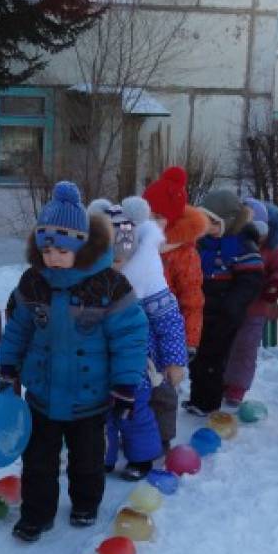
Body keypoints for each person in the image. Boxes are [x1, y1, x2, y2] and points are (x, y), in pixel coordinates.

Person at [0, 181, 147, 541]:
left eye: (62, 250)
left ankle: (85, 504)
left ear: (80, 245)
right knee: (38, 461)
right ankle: (37, 513)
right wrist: (7, 367)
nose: (53, 257)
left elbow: (129, 338)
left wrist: (126, 385)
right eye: (46, 249)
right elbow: (18, 328)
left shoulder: (109, 285)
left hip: (90, 397)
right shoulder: (33, 283)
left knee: (87, 459)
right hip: (42, 396)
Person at [102, 196, 188, 479]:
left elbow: (168, 320)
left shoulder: (145, 277)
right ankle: (103, 456)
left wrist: (175, 360)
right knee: (100, 416)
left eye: (120, 254)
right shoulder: (89, 280)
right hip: (96, 366)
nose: (117, 260)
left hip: (137, 365)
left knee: (135, 414)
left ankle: (142, 458)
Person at [141, 166, 207, 449]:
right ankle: (136, 435)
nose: (153, 223)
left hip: (170, 331)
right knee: (136, 386)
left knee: (164, 389)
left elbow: (192, 298)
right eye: (149, 216)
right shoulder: (135, 244)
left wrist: (189, 341)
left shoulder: (182, 252)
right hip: (136, 329)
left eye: (159, 218)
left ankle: (163, 437)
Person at [183, 189, 265, 416]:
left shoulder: (242, 245)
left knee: (213, 360)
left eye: (213, 222)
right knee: (197, 358)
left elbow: (251, 280)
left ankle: (208, 404)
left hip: (224, 315)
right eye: (204, 221)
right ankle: (198, 399)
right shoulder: (202, 242)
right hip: (200, 311)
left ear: (228, 222)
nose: (207, 227)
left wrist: (232, 306)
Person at [223, 199, 278, 407]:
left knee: (246, 348)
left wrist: (276, 283)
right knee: (224, 344)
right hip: (227, 305)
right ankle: (219, 379)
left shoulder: (273, 250)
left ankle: (237, 386)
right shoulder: (233, 244)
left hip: (255, 308)